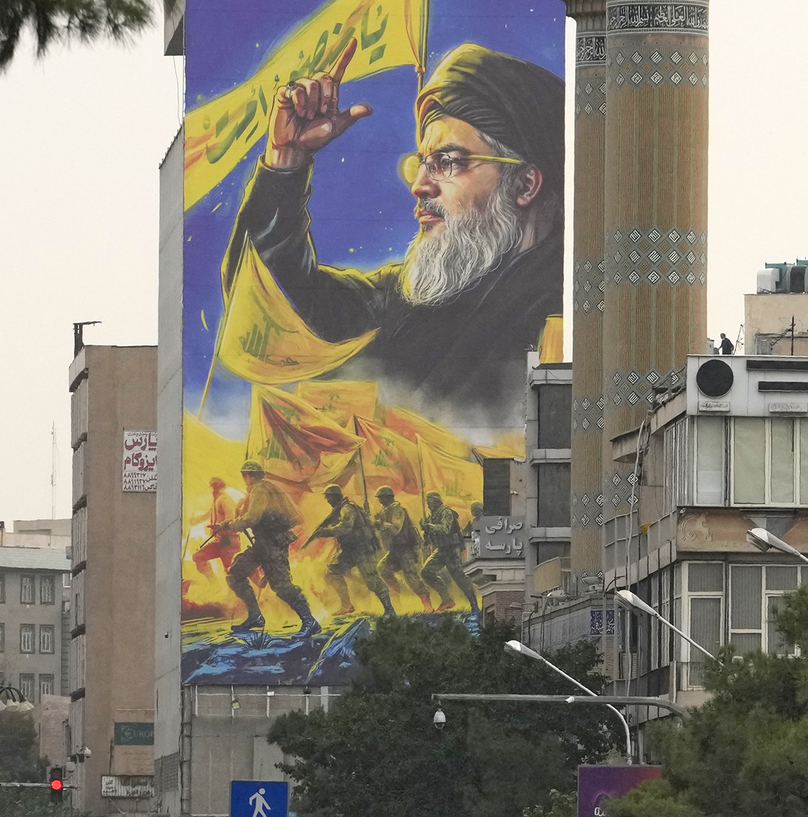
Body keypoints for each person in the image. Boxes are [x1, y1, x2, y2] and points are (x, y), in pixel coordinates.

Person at [222, 41, 566, 429]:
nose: (419, 185)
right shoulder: (402, 301)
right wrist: (286, 163)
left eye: (447, 162)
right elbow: (277, 303)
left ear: (525, 184)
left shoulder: (578, 307)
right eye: (421, 163)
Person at [228, 461, 318, 635]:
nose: (244, 479)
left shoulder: (260, 489)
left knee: (282, 586)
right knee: (236, 573)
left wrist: (231, 525)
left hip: (272, 543)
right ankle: (255, 617)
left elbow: (252, 518)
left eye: (245, 475)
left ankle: (310, 621)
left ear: (250, 475)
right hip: (262, 543)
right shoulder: (261, 489)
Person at [308, 482, 394, 618]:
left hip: (362, 549)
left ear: (335, 497)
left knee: (372, 580)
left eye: (328, 497)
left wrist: (326, 532)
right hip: (349, 550)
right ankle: (347, 605)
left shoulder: (347, 509)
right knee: (331, 573)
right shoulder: (340, 509)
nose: (327, 500)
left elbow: (345, 527)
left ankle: (389, 609)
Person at [418, 491, 482, 612]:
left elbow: (445, 529)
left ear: (437, 500)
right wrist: (426, 531)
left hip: (452, 549)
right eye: (427, 501)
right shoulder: (433, 515)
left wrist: (429, 526)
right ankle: (446, 600)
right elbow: (431, 535)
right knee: (426, 572)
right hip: (441, 550)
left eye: (430, 500)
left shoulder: (445, 512)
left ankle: (474, 605)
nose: (428, 503)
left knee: (459, 578)